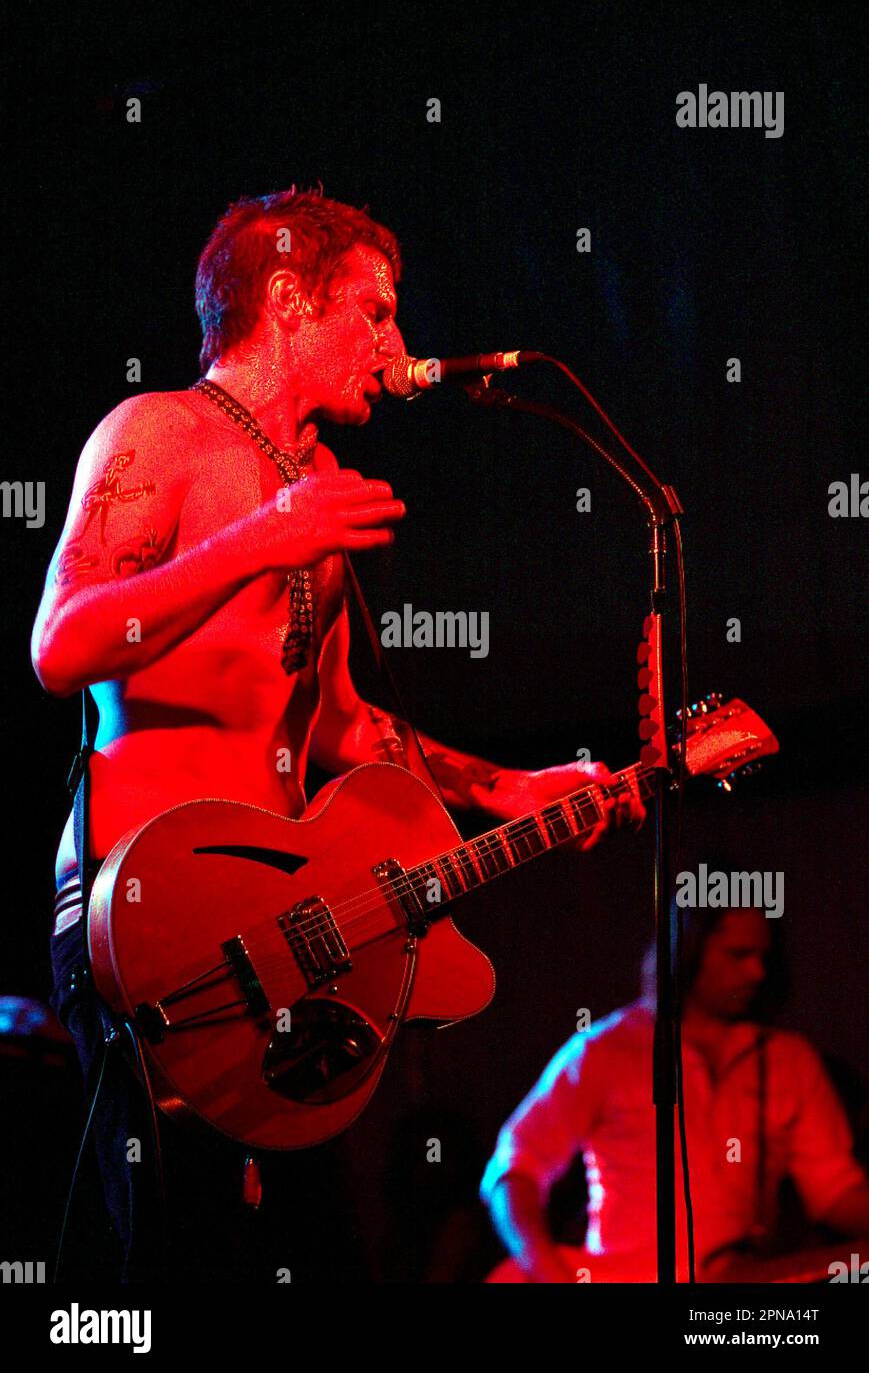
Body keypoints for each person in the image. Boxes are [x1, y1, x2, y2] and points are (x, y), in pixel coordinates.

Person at [31, 186, 643, 1281]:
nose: (396, 348)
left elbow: (344, 726)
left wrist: (508, 788)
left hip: (280, 945)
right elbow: (63, 643)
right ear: (285, 300)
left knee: (314, 1253)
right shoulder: (156, 433)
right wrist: (262, 538)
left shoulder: (316, 490)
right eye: (375, 312)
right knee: (179, 1259)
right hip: (149, 918)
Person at [481, 901, 869, 1282]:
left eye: (763, 956)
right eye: (739, 955)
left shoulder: (789, 1059)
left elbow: (834, 1191)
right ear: (686, 947)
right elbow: (513, 1169)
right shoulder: (603, 1050)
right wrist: (548, 1274)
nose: (757, 972)